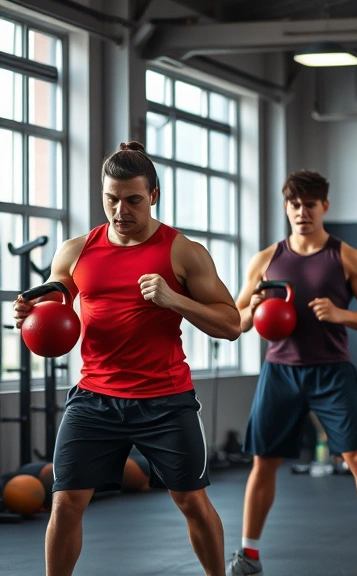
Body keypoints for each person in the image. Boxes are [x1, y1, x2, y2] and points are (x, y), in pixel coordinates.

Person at [13, 142, 241, 576]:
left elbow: (231, 324)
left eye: (133, 199)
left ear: (153, 195)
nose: (120, 210)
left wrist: (175, 299)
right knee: (64, 502)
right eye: (111, 199)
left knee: (191, 500)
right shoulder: (76, 250)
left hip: (165, 400)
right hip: (94, 399)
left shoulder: (183, 252)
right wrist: (29, 313)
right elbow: (53, 301)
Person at [228, 170, 357, 576]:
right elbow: (236, 323)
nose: (301, 212)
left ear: (324, 206)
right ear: (285, 206)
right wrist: (254, 304)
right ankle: (249, 555)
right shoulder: (265, 260)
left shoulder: (345, 257)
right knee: (264, 462)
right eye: (294, 204)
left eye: (309, 204)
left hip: (332, 373)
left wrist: (340, 313)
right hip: (280, 372)